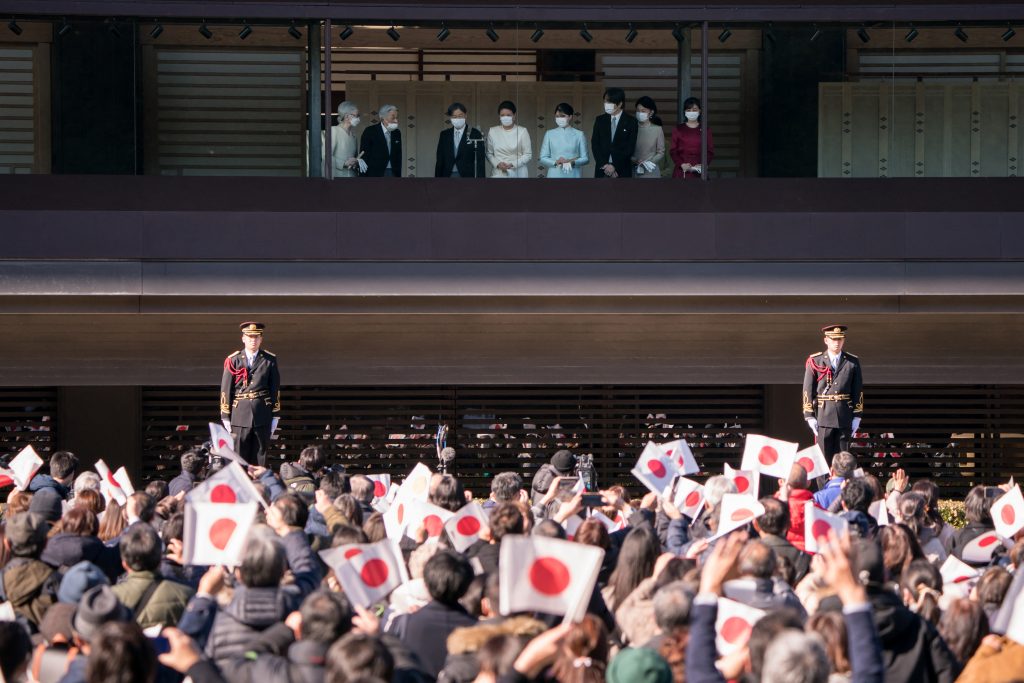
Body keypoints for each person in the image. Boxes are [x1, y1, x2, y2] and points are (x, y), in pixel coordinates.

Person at [220, 321, 281, 467]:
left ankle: (259, 487)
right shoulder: (233, 360)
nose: (253, 340)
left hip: (262, 412)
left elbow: (275, 389)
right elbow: (225, 389)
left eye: (256, 337)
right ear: (243, 338)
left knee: (261, 454)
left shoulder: (269, 360)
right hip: (239, 413)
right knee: (239, 455)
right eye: (250, 336)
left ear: (261, 339)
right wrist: (225, 416)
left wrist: (276, 415)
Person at [803, 324, 865, 460]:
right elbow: (808, 390)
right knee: (823, 459)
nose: (837, 343)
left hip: (844, 415)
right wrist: (809, 415)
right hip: (823, 415)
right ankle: (825, 483)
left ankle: (842, 482)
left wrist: (857, 416)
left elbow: (857, 391)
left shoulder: (852, 362)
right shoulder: (815, 360)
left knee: (844, 459)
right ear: (826, 340)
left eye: (840, 339)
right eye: (833, 339)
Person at [591, 87, 638, 178]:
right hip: (602, 169)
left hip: (622, 170)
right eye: (605, 101)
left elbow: (630, 147)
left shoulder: (631, 122)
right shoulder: (600, 120)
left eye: (609, 102)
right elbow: (595, 144)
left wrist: (614, 166)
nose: (606, 104)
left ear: (620, 104)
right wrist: (605, 165)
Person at [539, 103, 589, 179]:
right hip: (554, 174)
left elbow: (585, 158)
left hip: (573, 174)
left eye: (562, 116)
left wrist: (572, 162)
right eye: (557, 116)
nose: (559, 118)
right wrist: (555, 162)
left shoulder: (579, 134)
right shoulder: (549, 134)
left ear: (570, 117)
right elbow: (542, 157)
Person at [435, 102, 485, 178]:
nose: (457, 119)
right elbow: (440, 159)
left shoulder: (475, 133)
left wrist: (480, 180)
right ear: (450, 118)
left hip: (468, 177)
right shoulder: (445, 135)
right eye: (454, 116)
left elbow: (480, 160)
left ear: (465, 115)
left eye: (460, 116)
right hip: (447, 175)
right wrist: (437, 179)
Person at [670, 97, 714, 179]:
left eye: (694, 110)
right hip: (681, 171)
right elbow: (673, 151)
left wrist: (704, 164)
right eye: (688, 110)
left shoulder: (705, 130)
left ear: (700, 111)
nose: (691, 112)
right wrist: (681, 164)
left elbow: (710, 151)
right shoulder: (678, 129)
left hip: (699, 170)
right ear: (684, 111)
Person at [485, 101, 532, 178]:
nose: (505, 117)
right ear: (499, 116)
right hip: (499, 172)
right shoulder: (492, 131)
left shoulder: (522, 131)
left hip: (518, 172)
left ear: (514, 115)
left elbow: (528, 155)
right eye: (502, 115)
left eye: (508, 115)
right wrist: (498, 164)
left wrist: (512, 164)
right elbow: (489, 153)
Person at [360, 104, 403, 177]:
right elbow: (364, 155)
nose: (396, 120)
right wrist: (364, 176)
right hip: (374, 173)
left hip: (393, 172)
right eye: (393, 117)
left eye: (397, 117)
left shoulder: (397, 133)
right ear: (383, 117)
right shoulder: (370, 131)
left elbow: (399, 155)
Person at [631, 96, 665, 178]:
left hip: (651, 170)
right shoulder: (631, 129)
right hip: (634, 170)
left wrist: (648, 162)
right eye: (638, 111)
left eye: (643, 111)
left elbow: (661, 152)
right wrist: (635, 160)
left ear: (651, 112)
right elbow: (626, 149)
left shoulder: (657, 129)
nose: (640, 113)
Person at [329, 101, 363, 177]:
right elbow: (326, 156)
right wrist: (344, 163)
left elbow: (355, 156)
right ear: (347, 116)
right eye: (356, 115)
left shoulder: (353, 135)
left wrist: (356, 162)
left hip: (352, 176)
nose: (358, 118)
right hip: (337, 177)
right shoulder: (334, 130)